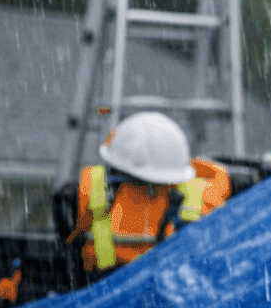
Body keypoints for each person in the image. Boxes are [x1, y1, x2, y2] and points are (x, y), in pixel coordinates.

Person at [56, 112, 232, 275]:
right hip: (173, 298)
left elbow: (70, 248)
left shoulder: (81, 194)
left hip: (99, 294)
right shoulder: (201, 194)